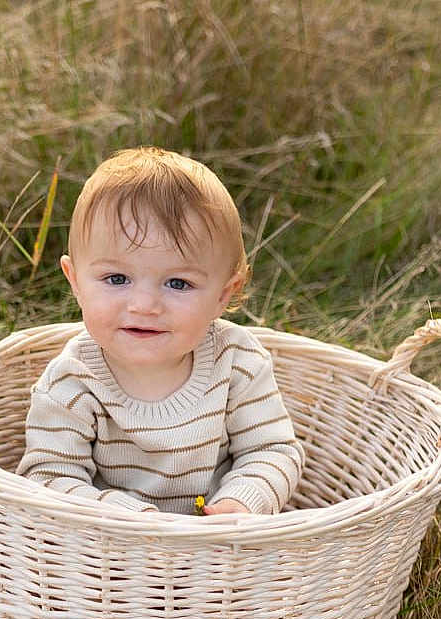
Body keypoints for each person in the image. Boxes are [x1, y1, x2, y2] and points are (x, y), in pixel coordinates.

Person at [16, 147, 305, 515]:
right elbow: (49, 477)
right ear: (75, 281)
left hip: (219, 553)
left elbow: (273, 451)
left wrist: (241, 503)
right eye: (117, 278)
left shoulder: (237, 363)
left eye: (178, 283)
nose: (144, 305)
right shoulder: (71, 383)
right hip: (105, 556)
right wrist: (134, 521)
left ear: (222, 296)